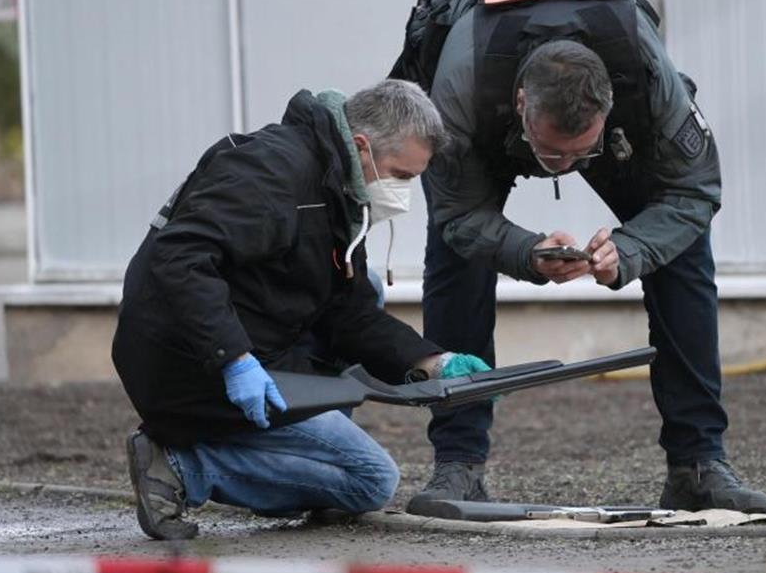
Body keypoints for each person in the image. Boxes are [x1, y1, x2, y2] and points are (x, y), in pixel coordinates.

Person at [408, 0, 766, 515]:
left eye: (583, 151)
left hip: (603, 118)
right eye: (556, 155)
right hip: (486, 118)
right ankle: (458, 466)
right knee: (457, 251)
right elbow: (457, 212)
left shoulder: (647, 78)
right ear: (522, 103)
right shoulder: (461, 86)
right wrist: (524, 251)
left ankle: (698, 464)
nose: (569, 167)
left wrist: (630, 249)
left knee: (682, 248)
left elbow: (695, 193)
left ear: (607, 113)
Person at [112, 79, 490, 540]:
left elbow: (348, 312)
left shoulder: (338, 190)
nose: (404, 191)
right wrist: (234, 359)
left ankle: (253, 458)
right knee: (370, 481)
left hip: (252, 341)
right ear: (361, 146)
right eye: (402, 175)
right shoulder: (270, 173)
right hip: (187, 359)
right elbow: (180, 257)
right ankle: (183, 464)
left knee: (364, 284)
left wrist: (431, 361)